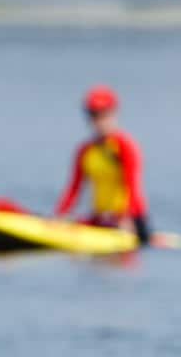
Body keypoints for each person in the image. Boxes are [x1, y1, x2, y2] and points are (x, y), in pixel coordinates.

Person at [53, 85, 152, 245]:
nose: (98, 120)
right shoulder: (85, 150)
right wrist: (59, 216)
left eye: (103, 114)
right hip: (100, 219)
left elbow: (132, 186)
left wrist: (129, 218)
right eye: (93, 115)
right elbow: (73, 189)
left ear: (113, 113)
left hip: (127, 220)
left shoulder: (125, 146)